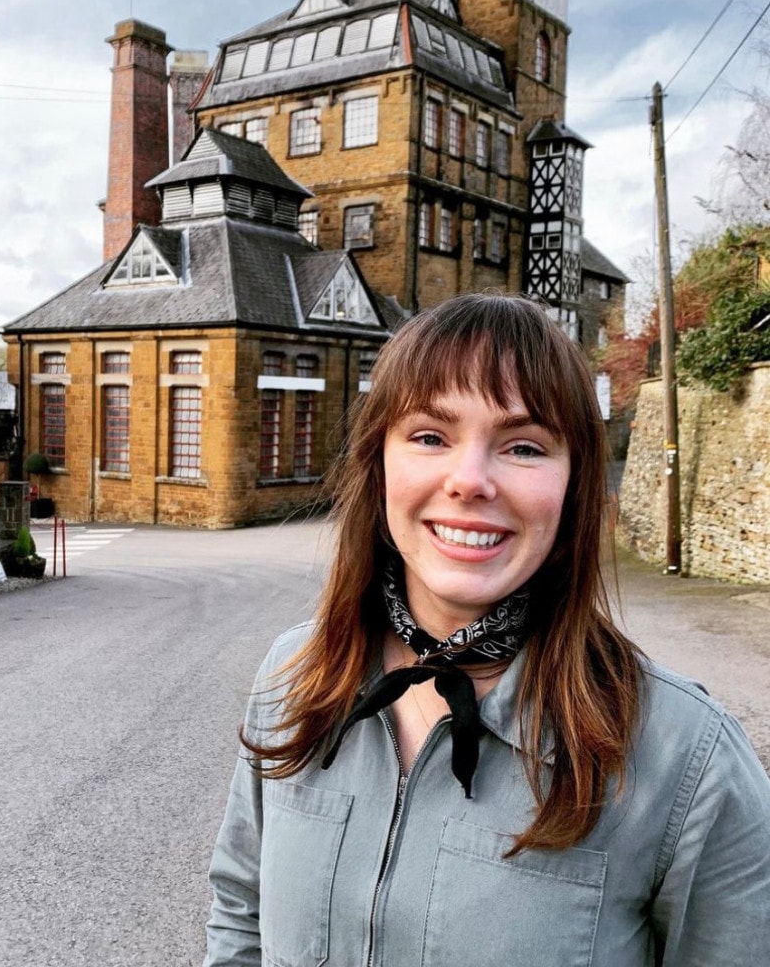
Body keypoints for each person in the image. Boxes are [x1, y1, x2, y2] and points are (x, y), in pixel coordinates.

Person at [203, 292, 770, 966]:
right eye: (430, 437)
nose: (469, 480)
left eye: (524, 446)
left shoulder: (688, 761)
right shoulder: (293, 674)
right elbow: (242, 912)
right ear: (378, 462)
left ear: (573, 486)